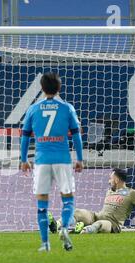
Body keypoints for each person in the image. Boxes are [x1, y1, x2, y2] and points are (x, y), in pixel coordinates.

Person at [20, 72, 84, 253]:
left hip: (41, 161)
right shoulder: (67, 108)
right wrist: (79, 158)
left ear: (41, 88)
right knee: (68, 200)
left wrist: (24, 159)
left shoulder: (33, 109)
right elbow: (76, 136)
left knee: (42, 203)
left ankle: (45, 244)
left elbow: (24, 137)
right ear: (59, 88)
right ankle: (64, 228)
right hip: (63, 160)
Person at [49, 168, 135, 234]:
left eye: (111, 178)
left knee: (99, 224)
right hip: (97, 216)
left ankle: (79, 232)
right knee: (77, 212)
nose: (109, 180)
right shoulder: (110, 191)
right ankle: (57, 225)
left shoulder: (132, 193)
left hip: (113, 225)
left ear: (117, 180)